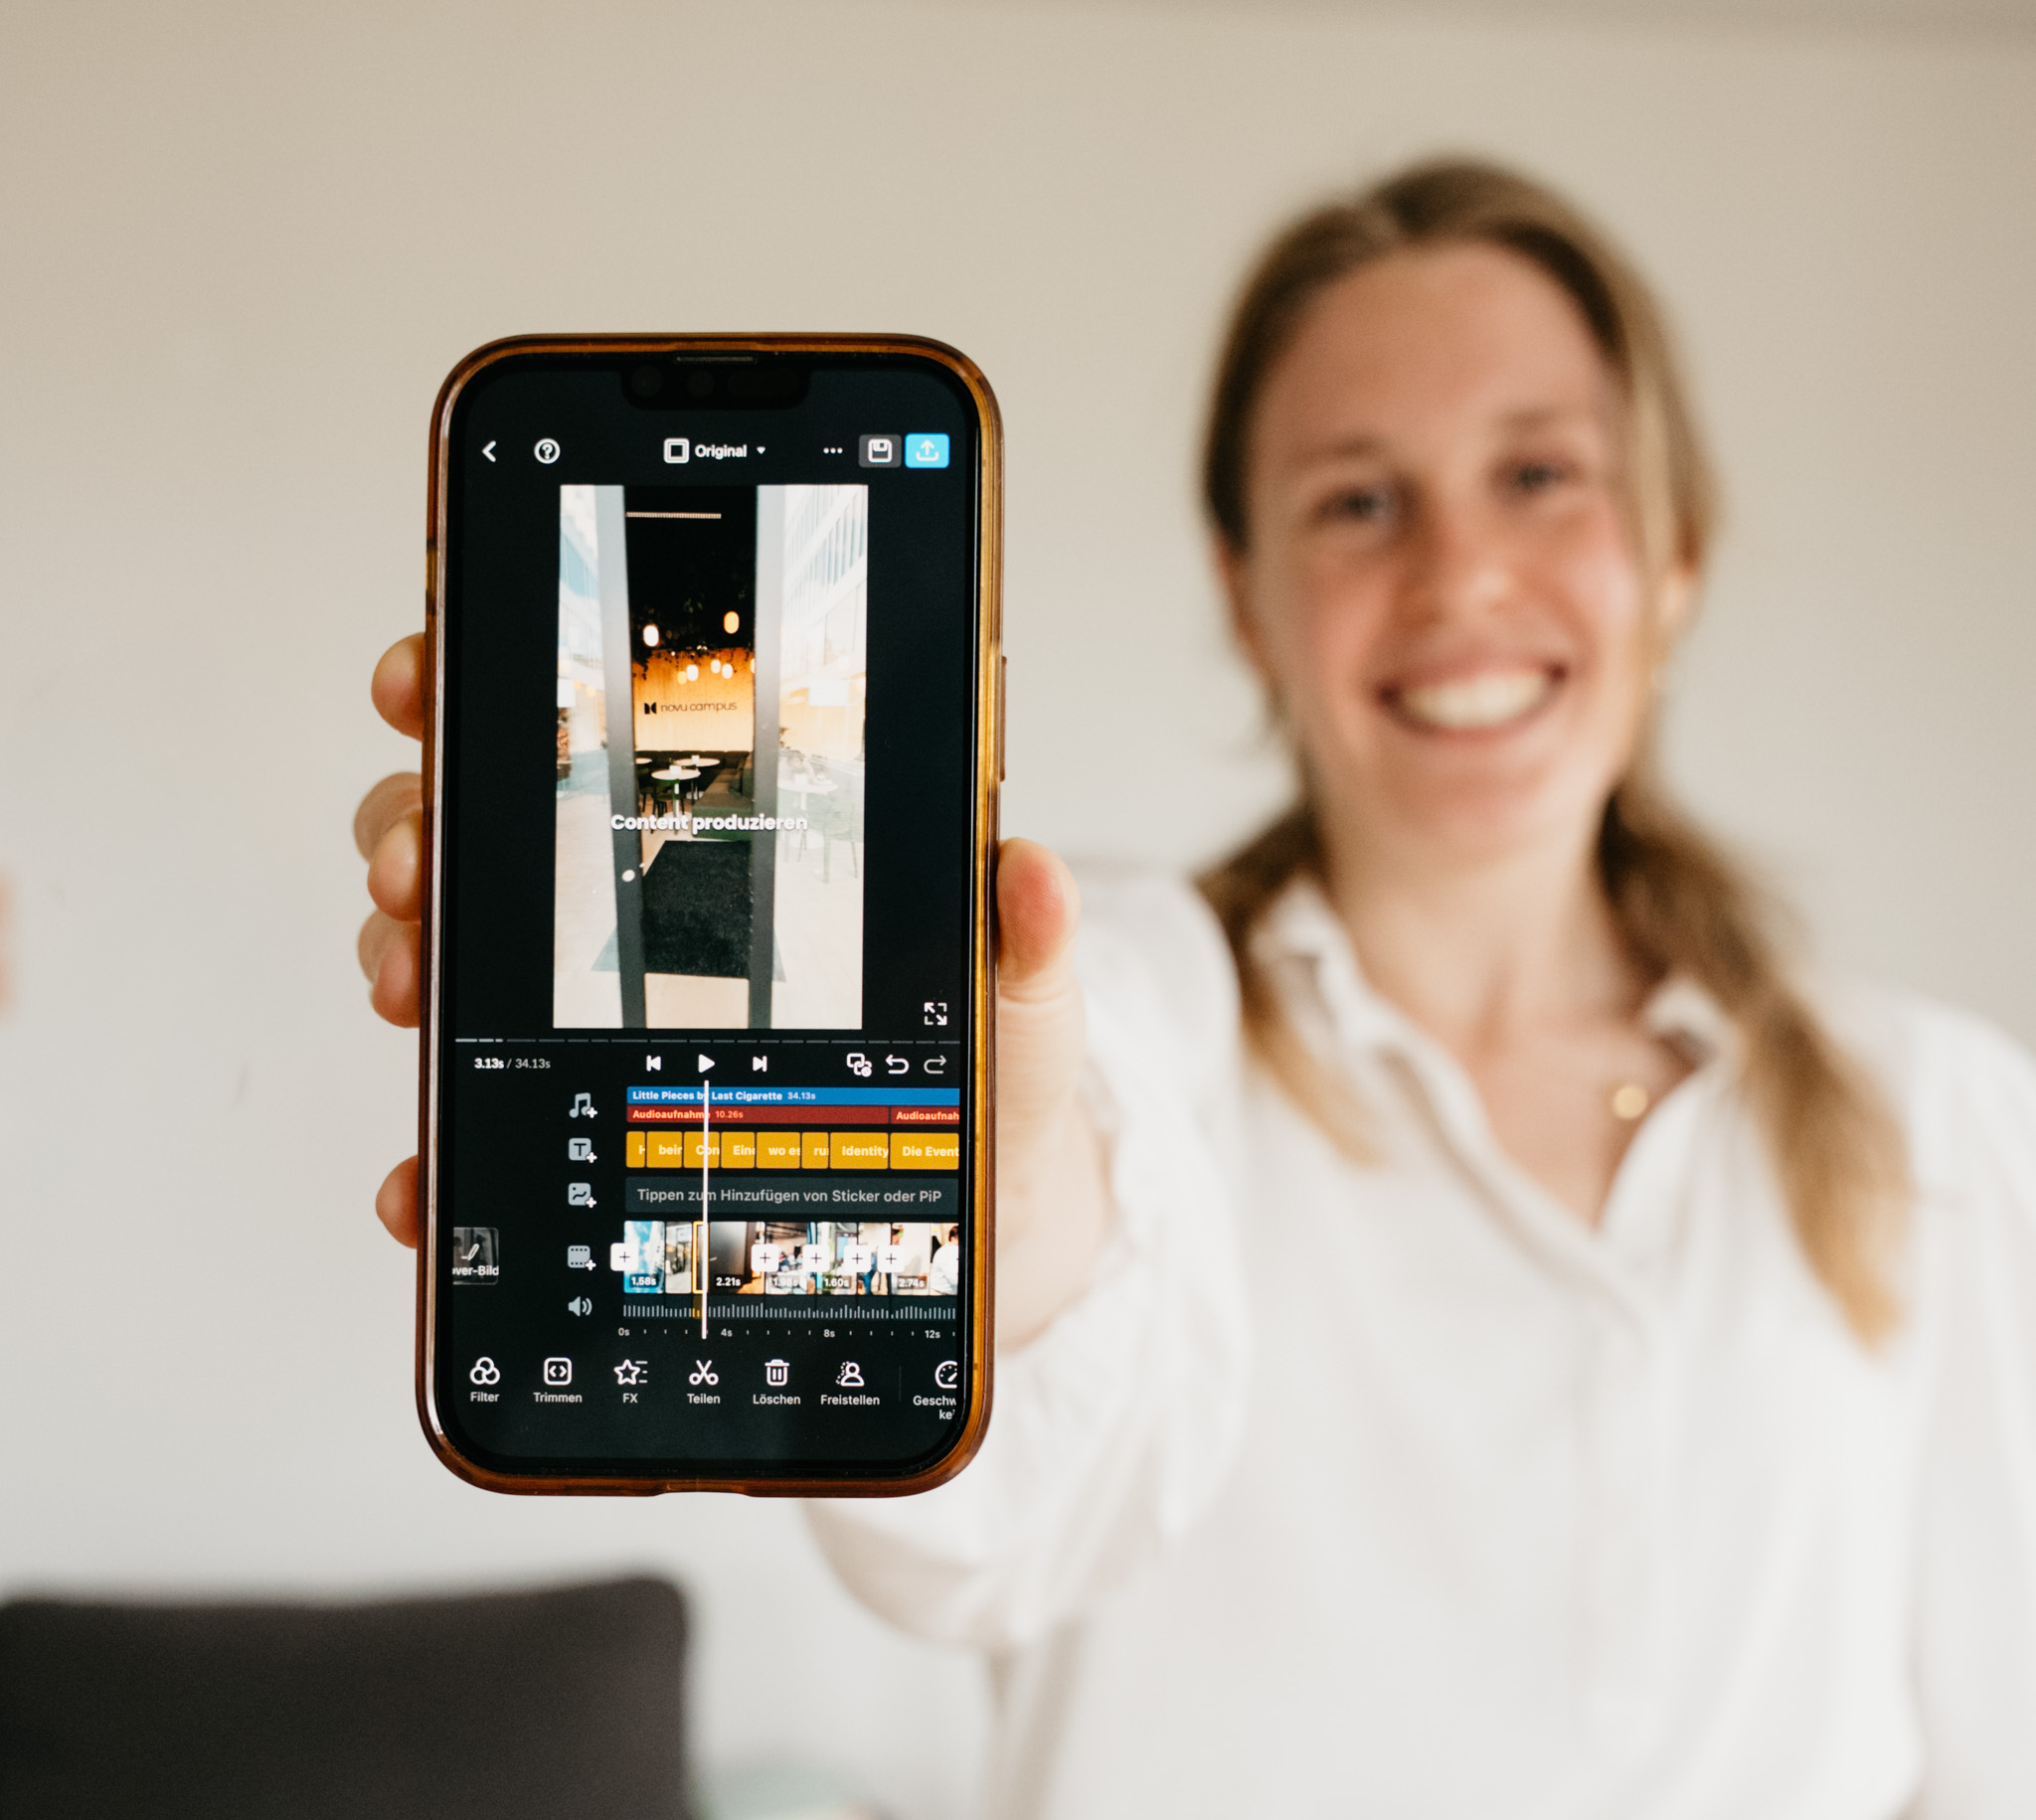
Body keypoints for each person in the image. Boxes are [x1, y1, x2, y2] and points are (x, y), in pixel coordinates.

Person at [355, 161, 2036, 1817]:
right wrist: (977, 1196)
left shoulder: (1945, 1119)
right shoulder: (1137, 998)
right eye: (1358, 500)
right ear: (1248, 598)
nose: (1459, 575)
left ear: (1675, 556)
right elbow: (992, 1524)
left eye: (1539, 473)